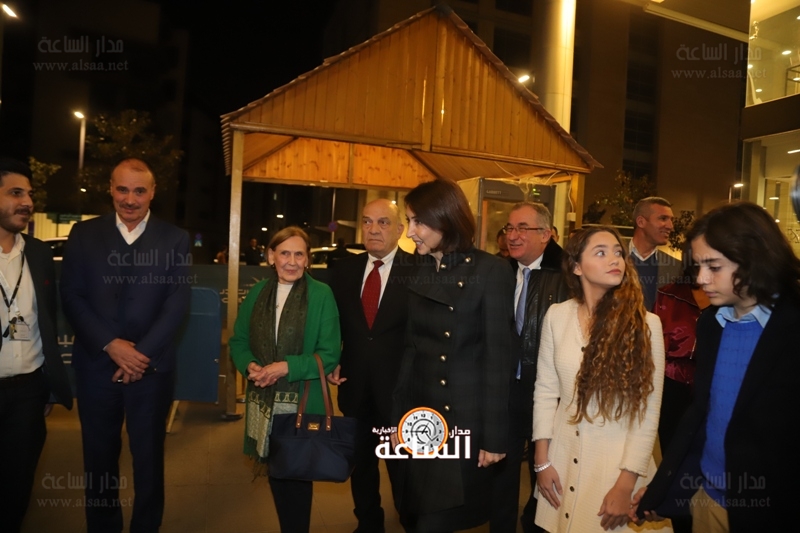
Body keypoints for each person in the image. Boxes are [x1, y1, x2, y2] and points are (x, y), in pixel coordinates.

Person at [633, 202, 800, 533]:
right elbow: (701, 417)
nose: (701, 278)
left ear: (753, 259)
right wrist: (664, 488)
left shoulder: (792, 326)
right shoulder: (711, 324)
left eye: (714, 266)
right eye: (698, 266)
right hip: (708, 501)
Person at [60, 157, 191, 533]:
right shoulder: (83, 234)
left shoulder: (175, 239)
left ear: (152, 193)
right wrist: (110, 345)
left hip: (151, 369)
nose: (130, 199)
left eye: (139, 190)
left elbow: (176, 304)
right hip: (96, 367)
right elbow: (71, 296)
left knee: (149, 459)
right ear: (110, 189)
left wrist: (140, 355)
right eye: (122, 189)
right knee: (98, 459)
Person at [392, 179, 515, 532]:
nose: (410, 232)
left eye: (418, 222)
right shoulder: (420, 268)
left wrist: (494, 437)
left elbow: (498, 361)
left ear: (445, 220)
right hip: (422, 419)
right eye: (409, 221)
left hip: (462, 421)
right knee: (418, 514)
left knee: (437, 519)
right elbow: (411, 350)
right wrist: (399, 418)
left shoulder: (489, 270)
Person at [533, 226, 668, 532]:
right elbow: (545, 391)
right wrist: (541, 460)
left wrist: (626, 483)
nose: (614, 259)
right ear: (577, 266)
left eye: (618, 252)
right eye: (601, 252)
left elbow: (648, 413)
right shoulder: (556, 316)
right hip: (561, 461)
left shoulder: (646, 325)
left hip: (615, 467)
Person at [230, 226, 341, 533]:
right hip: (264, 404)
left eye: (299, 254)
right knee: (277, 475)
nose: (291, 261)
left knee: (297, 478)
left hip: (302, 403)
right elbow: (238, 341)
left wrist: (284, 367)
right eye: (284, 253)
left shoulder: (321, 295)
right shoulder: (257, 293)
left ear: (308, 260)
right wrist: (251, 366)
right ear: (271, 256)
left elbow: (329, 354)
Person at [327, 199, 414, 532]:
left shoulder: (419, 271)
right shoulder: (343, 270)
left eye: (383, 222)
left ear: (400, 229)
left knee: (402, 466)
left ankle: (410, 520)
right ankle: (368, 522)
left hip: (400, 392)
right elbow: (332, 325)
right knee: (361, 463)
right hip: (354, 387)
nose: (373, 229)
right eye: (367, 222)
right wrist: (332, 358)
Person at [0, 158, 72, 533]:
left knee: (15, 492)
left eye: (29, 194)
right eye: (16, 193)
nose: (27, 202)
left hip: (28, 393)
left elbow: (46, 319)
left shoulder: (40, 254)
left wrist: (47, 385)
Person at [493, 202, 568, 533]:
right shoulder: (498, 273)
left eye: (523, 228)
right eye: (510, 228)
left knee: (544, 472)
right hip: (505, 392)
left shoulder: (568, 276)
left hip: (549, 395)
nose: (513, 235)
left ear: (546, 234)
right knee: (501, 472)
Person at [630, 197, 683, 310]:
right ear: (641, 222)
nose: (670, 226)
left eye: (671, 220)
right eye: (663, 218)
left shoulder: (677, 268)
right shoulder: (612, 259)